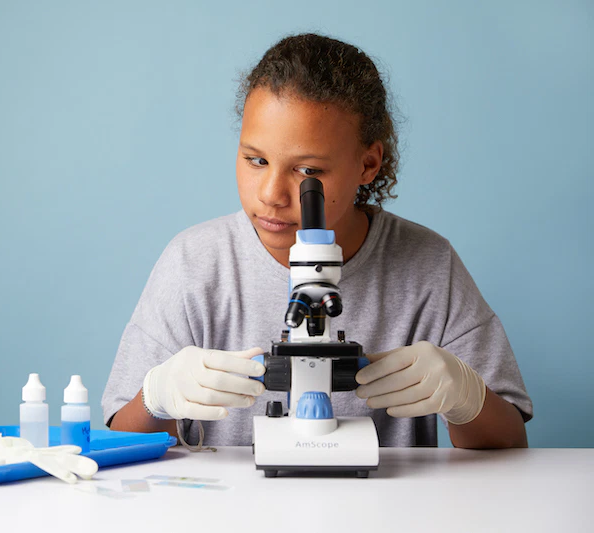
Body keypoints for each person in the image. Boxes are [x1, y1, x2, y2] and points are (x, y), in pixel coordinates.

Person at [102, 33, 532, 449]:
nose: (270, 193)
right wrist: (156, 398)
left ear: (368, 164)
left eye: (307, 172)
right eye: (256, 160)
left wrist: (465, 398)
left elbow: (510, 441)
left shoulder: (429, 265)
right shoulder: (194, 263)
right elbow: (124, 438)